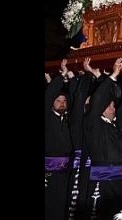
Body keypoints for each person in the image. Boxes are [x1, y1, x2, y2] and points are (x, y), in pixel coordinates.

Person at [81, 59, 122, 220]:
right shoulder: (93, 124)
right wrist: (112, 76)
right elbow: (98, 100)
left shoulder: (117, 125)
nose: (113, 108)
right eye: (109, 106)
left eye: (113, 105)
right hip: (105, 182)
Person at [45, 59, 74, 220]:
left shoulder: (69, 120)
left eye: (64, 101)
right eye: (58, 101)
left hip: (65, 172)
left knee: (63, 205)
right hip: (49, 171)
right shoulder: (48, 118)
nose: (62, 104)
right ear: (51, 104)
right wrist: (61, 76)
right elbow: (49, 94)